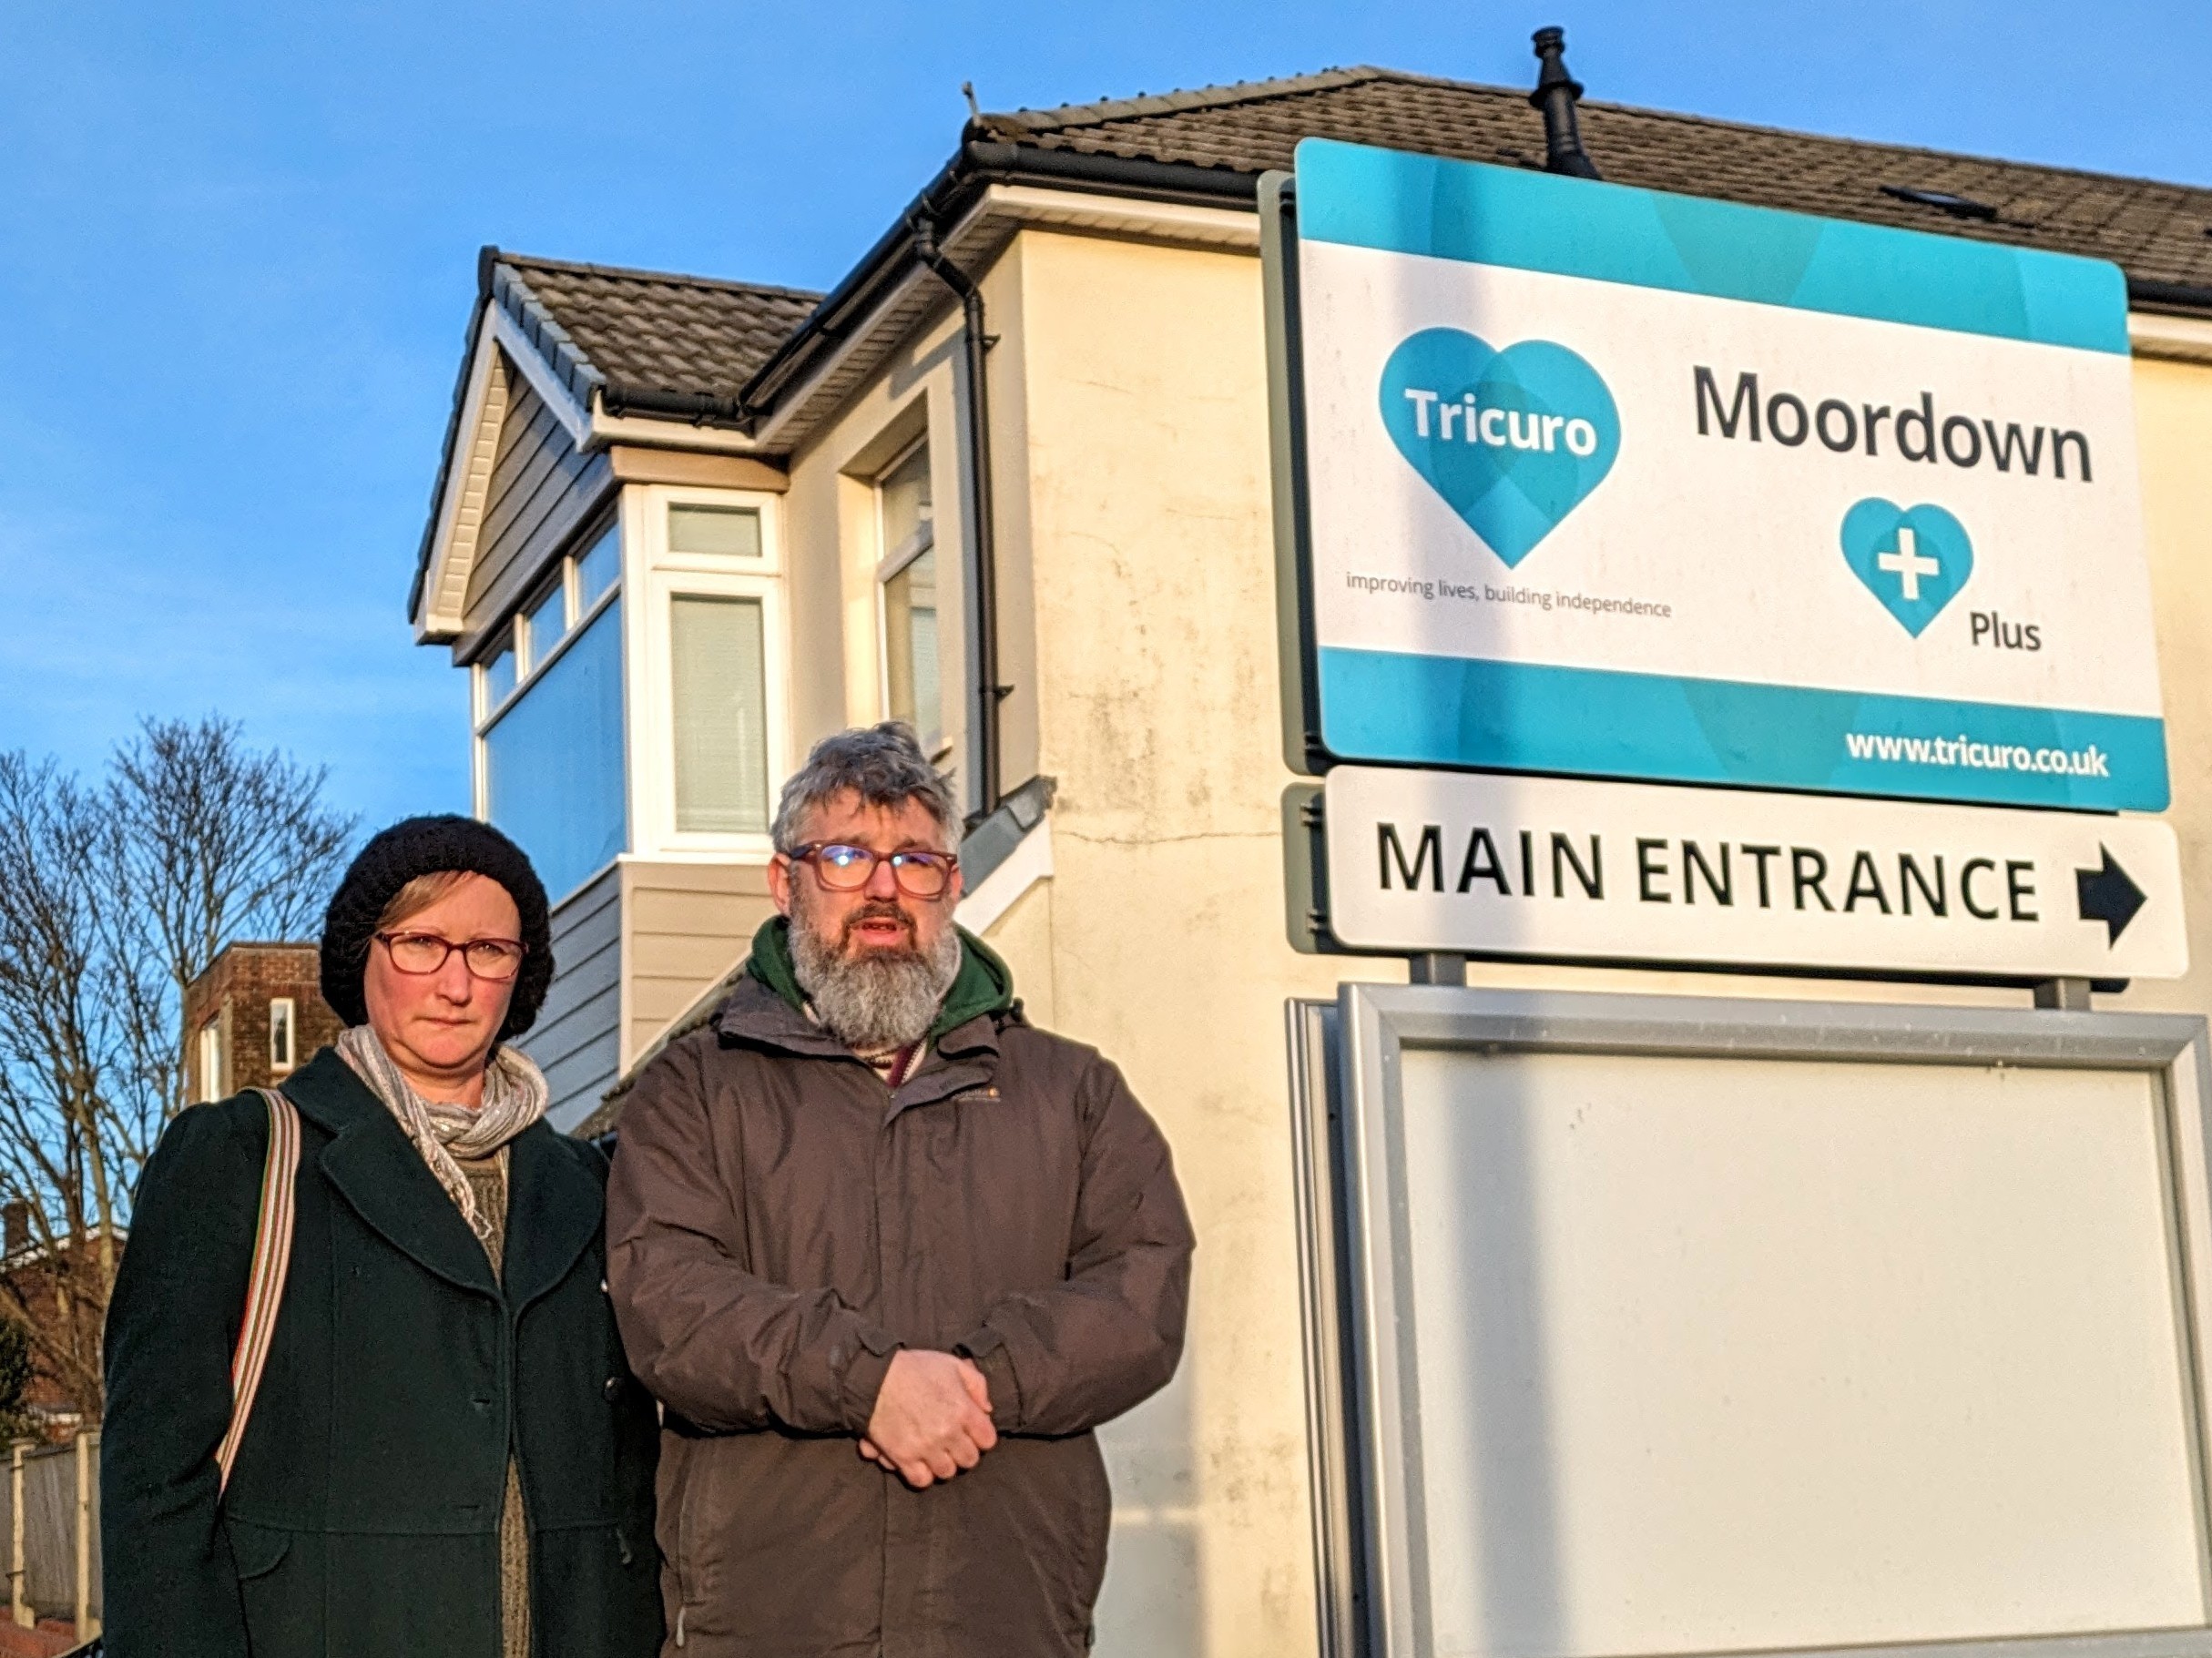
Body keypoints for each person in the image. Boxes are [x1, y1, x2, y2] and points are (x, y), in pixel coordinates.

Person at [607, 723, 1194, 1657]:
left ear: (952, 887)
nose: (882, 890)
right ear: (783, 881)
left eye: (915, 861)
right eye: (844, 857)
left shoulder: (1072, 1093)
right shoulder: (694, 1089)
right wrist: (866, 1384)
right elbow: (669, 1304)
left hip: (1005, 1616)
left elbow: (1142, 1297)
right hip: (765, 1623)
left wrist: (973, 1387)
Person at [102, 816, 662, 1658]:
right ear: (362, 957)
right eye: (420, 943)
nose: (455, 981)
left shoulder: (589, 1185)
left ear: (523, 975)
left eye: (488, 950)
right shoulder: (244, 1158)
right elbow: (154, 1477)